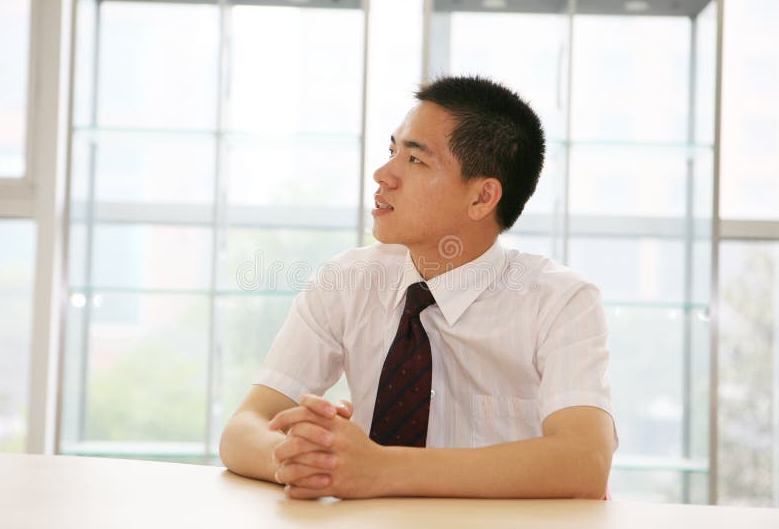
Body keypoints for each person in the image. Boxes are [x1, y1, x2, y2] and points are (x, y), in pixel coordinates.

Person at [219, 75, 617, 500]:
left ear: (482, 198)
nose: (382, 174)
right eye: (392, 151)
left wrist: (381, 470)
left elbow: (584, 462)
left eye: (415, 160)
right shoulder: (348, 280)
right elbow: (243, 429)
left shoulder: (560, 301)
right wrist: (304, 458)